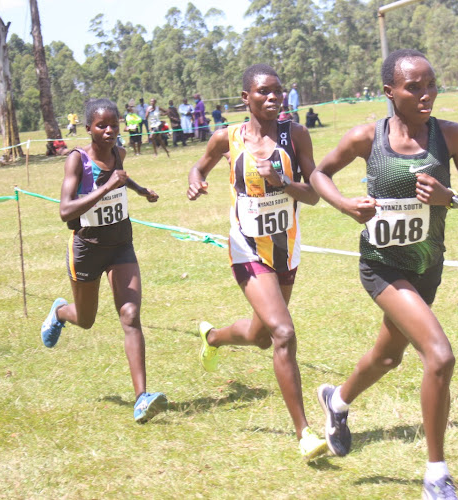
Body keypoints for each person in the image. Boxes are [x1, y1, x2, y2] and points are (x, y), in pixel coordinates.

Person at [310, 49, 458, 499]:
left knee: (389, 356)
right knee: (440, 356)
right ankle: (436, 475)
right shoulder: (367, 138)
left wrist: (451, 198)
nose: (426, 94)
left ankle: (337, 400)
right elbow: (318, 174)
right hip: (382, 268)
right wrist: (346, 205)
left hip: (427, 267)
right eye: (414, 87)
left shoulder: (451, 136)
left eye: (431, 84)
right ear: (390, 92)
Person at [186, 63, 328, 461]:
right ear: (245, 97)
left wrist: (283, 181)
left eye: (277, 91)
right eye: (263, 91)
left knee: (263, 335)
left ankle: (212, 337)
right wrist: (196, 178)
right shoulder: (226, 138)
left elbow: (314, 193)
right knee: (283, 332)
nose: (272, 97)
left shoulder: (295, 134)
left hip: (286, 248)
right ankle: (304, 433)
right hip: (246, 248)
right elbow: (201, 164)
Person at [40, 98, 167, 424]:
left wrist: (140, 191)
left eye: (114, 124)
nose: (110, 131)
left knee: (130, 314)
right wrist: (106, 186)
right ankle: (59, 312)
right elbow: (66, 210)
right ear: (89, 129)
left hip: (120, 246)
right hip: (87, 249)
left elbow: (121, 177)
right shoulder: (77, 161)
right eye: (102, 126)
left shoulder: (119, 153)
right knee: (86, 318)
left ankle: (142, 398)